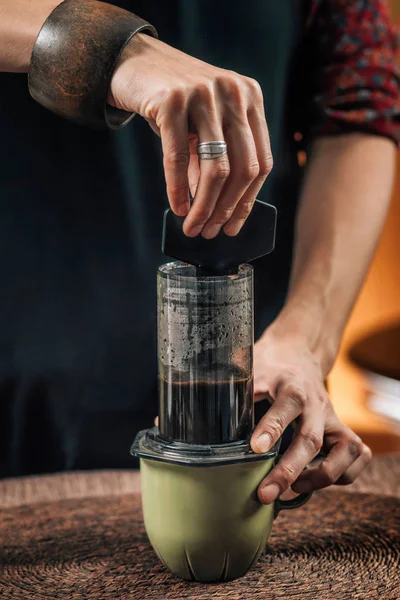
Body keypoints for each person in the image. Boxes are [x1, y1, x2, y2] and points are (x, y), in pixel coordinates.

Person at [0, 0, 399, 506]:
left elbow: (360, 100)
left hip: (248, 394)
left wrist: (305, 337)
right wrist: (109, 48)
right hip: (19, 400)